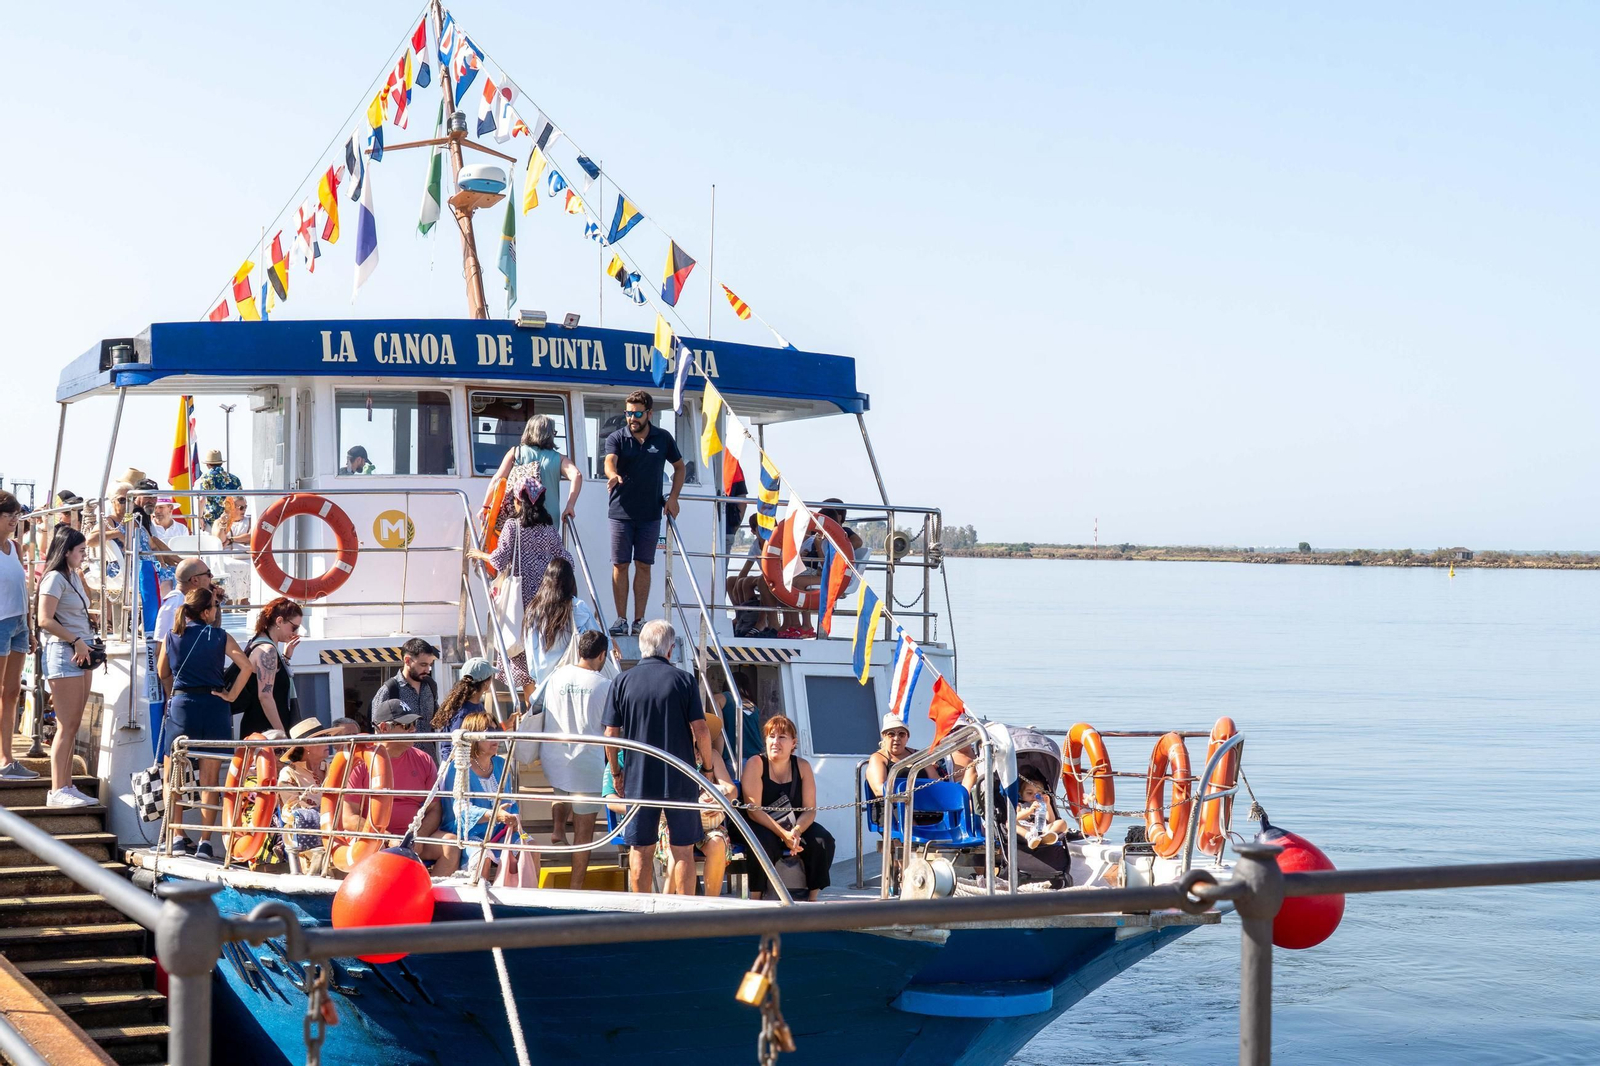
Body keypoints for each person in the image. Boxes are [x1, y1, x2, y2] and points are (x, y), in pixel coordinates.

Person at [602, 620, 733, 894]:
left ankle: (641, 917)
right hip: (680, 777)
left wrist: (616, 773)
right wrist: (707, 770)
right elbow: (701, 731)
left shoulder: (621, 682)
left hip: (638, 778)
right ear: (670, 650)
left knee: (640, 849)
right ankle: (683, 917)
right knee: (683, 849)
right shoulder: (684, 680)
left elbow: (610, 734)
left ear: (641, 648)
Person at [155, 587, 255, 857]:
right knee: (210, 781)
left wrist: (172, 693)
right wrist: (230, 695)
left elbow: (162, 670)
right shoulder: (220, 636)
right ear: (207, 611)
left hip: (182, 707)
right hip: (214, 707)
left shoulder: (172, 636)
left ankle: (176, 837)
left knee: (172, 777)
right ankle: (205, 842)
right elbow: (247, 667)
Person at [467, 481, 570, 696]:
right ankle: (542, 704)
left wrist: (480, 554)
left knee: (522, 652)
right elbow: (567, 559)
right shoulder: (549, 530)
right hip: (547, 596)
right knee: (544, 648)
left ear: (517, 502)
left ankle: (530, 708)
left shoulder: (513, 526)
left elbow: (499, 559)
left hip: (521, 598)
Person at [602, 390, 684, 637]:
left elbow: (679, 467)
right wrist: (612, 475)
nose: (631, 418)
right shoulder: (617, 437)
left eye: (637, 413)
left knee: (644, 565)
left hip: (650, 514)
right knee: (620, 565)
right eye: (628, 413)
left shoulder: (663, 438)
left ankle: (639, 620)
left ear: (650, 413)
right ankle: (620, 620)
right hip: (620, 512)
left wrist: (673, 498)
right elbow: (609, 461)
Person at [539, 630, 612, 888]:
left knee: (560, 787)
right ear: (602, 655)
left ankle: (558, 828)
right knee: (584, 833)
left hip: (554, 756)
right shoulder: (604, 684)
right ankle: (575, 886)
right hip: (587, 764)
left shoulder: (556, 676)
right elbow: (611, 727)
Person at [741, 715, 836, 901]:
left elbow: (809, 809)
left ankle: (812, 897)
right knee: (761, 841)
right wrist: (783, 835)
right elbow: (753, 810)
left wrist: (796, 831)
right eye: (771, 736)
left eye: (782, 737)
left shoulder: (802, 766)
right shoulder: (756, 763)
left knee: (822, 840)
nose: (775, 742)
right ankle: (756, 897)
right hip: (760, 823)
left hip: (794, 824)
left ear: (793, 743)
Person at [35, 528, 98, 807]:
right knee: (66, 724)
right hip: (65, 651)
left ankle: (67, 785)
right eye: (81, 550)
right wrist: (75, 640)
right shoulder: (54, 578)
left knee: (73, 725)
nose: (84, 555)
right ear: (67, 551)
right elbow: (44, 619)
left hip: (80, 652)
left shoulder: (72, 575)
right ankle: (57, 789)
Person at [341, 698, 442, 861]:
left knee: (450, 846)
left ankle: (428, 886)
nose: (414, 729)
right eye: (407, 725)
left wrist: (418, 837)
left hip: (412, 836)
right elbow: (349, 818)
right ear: (384, 728)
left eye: (414, 724)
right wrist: (386, 838)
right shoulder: (359, 762)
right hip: (372, 838)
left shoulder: (424, 760)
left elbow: (435, 809)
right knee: (380, 848)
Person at [437, 710, 523, 876]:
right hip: (468, 833)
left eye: (497, 731)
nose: (496, 737)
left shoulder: (500, 764)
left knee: (530, 847)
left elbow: (510, 802)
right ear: (473, 737)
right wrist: (493, 815)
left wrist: (513, 820)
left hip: (501, 831)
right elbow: (460, 810)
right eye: (489, 732)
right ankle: (478, 898)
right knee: (482, 857)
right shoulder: (458, 767)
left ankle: (525, 898)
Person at [486, 413, 585, 524]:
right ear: (549, 434)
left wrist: (485, 507)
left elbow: (497, 479)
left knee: (517, 540)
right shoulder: (560, 458)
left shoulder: (515, 452)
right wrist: (570, 506)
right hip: (549, 516)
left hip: (520, 512)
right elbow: (577, 475)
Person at [0, 493, 36, 780]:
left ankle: (7, 758)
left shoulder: (15, 546)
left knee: (12, 694)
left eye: (16, 514)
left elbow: (23, 589)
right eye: (8, 514)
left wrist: (30, 626)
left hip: (19, 624)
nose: (14, 519)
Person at [524, 557, 600, 694]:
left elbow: (530, 655)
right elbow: (597, 641)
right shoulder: (577, 607)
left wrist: (537, 677)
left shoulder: (533, 610)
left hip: (545, 686)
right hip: (574, 685)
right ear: (570, 581)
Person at [231, 597, 303, 737]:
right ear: (279, 621)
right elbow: (265, 696)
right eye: (294, 627)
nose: (295, 632)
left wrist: (285, 658)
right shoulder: (267, 650)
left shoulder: (258, 643)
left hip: (259, 728)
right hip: (266, 731)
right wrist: (282, 735)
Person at [275, 718, 336, 864]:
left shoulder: (332, 768)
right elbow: (291, 812)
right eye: (322, 737)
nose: (328, 741)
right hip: (305, 841)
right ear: (306, 745)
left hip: (336, 833)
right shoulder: (288, 773)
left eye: (327, 736)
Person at [1010, 772, 1074, 887]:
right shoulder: (1021, 805)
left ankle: (1045, 838)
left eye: (1038, 793)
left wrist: (1048, 805)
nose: (1034, 796)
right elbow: (1013, 818)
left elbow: (1051, 820)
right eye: (1029, 793)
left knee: (1061, 823)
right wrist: (1029, 811)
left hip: (1042, 830)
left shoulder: (1042, 804)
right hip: (1026, 831)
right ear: (1021, 794)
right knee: (1010, 824)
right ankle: (1031, 837)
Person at [432, 656, 496, 765]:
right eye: (491, 678)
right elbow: (457, 745)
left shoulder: (476, 706)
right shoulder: (463, 712)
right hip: (456, 766)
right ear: (486, 683)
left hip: (469, 764)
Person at [370, 637, 439, 726]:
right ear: (407, 661)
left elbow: (437, 719)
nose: (427, 670)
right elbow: (378, 729)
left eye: (430, 665)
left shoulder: (431, 685)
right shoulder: (389, 690)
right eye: (423, 664)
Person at [155, 558, 212, 644]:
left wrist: (215, 600)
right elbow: (162, 648)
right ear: (195, 580)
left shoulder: (189, 601)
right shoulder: (174, 604)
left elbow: (212, 631)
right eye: (208, 573)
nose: (212, 576)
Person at [194, 450, 242, 527]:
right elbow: (241, 500)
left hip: (212, 521)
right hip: (232, 522)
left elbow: (201, 500)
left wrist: (199, 518)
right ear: (221, 463)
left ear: (207, 465)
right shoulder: (235, 479)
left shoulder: (206, 478)